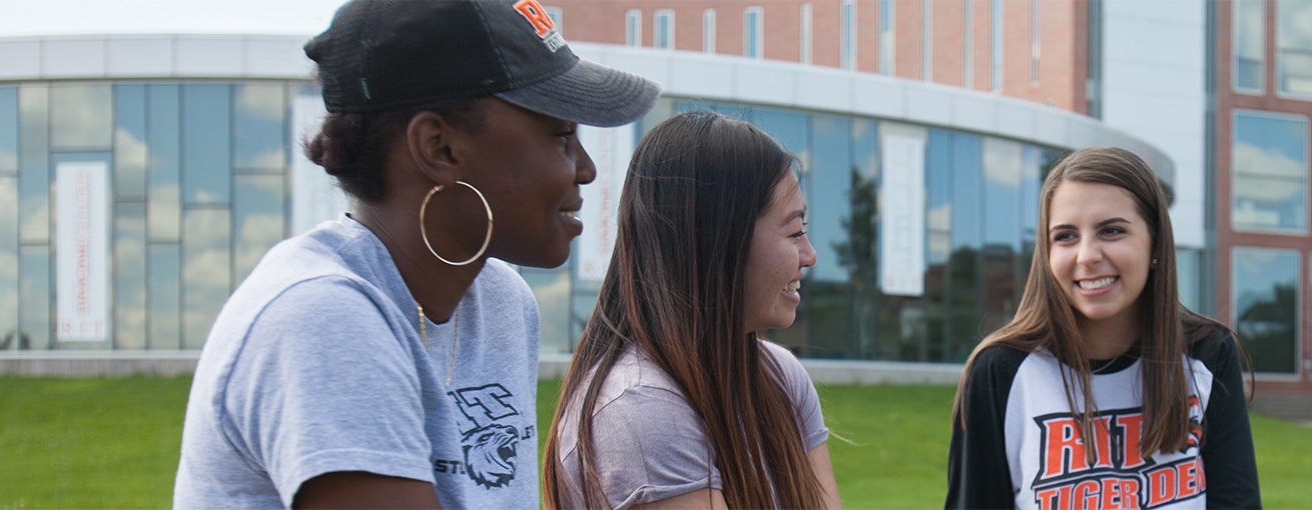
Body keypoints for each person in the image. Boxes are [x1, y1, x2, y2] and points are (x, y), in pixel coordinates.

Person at [172, 1, 659, 508]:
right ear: (438, 148)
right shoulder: (322, 318)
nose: (586, 170)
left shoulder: (500, 303)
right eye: (561, 135)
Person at [544, 111, 843, 509]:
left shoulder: (779, 376)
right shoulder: (642, 407)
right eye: (794, 232)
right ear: (718, 242)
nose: (809, 255)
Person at [945, 147, 1261, 509]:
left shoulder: (1207, 352)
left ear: (1155, 243)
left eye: (1111, 231)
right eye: (1065, 236)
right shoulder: (999, 370)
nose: (1087, 255)